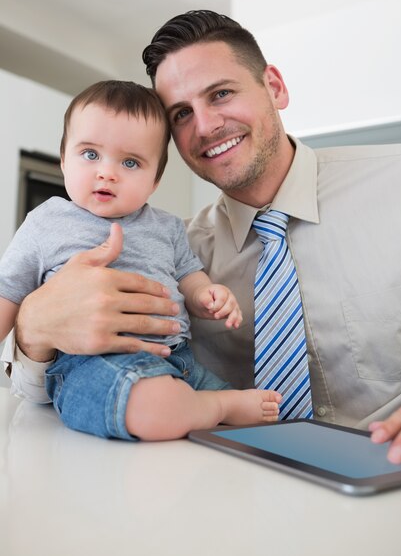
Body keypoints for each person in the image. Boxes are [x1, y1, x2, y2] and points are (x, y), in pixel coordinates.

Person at [2, 10, 401, 463]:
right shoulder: (182, 245)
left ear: (274, 87)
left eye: (220, 94)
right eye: (181, 113)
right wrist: (35, 326)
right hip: (230, 495)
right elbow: (38, 394)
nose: (204, 126)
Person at [0, 79, 281, 440]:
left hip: (179, 358)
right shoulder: (47, 222)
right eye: (89, 154)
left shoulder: (166, 226)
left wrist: (207, 295)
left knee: (261, 419)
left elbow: (189, 275)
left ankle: (203, 402)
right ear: (63, 161)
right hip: (91, 361)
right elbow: (8, 291)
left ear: (154, 181)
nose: (107, 172)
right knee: (153, 408)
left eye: (130, 162)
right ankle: (216, 406)